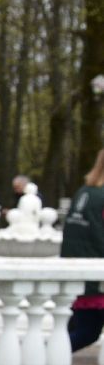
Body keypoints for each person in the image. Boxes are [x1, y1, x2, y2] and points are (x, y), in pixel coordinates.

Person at [62, 149, 104, 352]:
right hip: (96, 278)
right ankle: (35, 358)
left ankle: (34, 358)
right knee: (86, 332)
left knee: (79, 330)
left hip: (79, 275)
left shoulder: (84, 192)